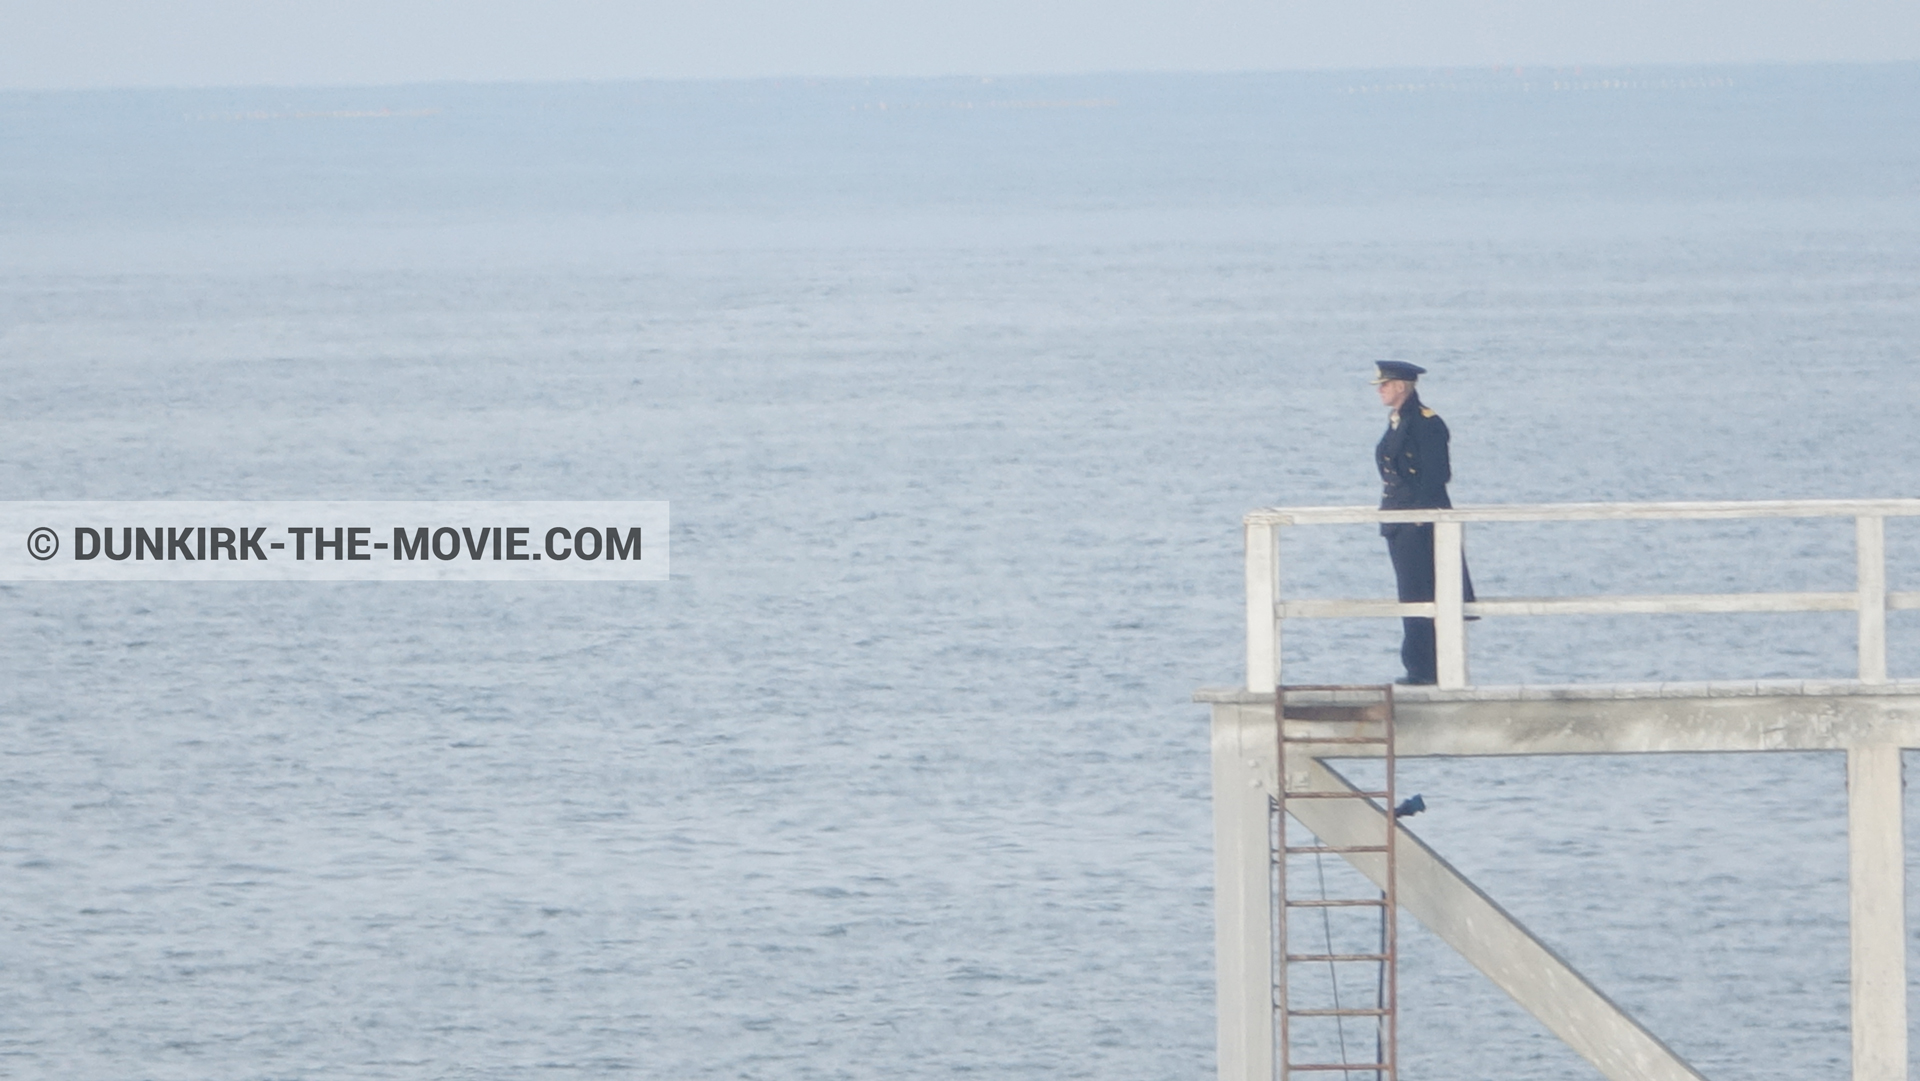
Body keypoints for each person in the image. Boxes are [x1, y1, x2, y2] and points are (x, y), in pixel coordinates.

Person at [1371, 360, 1474, 685]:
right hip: (1399, 522)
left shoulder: (1427, 423)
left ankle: (1426, 668)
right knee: (1410, 594)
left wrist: (1419, 517)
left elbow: (1436, 475)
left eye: (1385, 385)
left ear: (1401, 386)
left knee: (1425, 593)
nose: (1380, 390)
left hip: (1420, 523)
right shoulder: (1398, 420)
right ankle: (1418, 665)